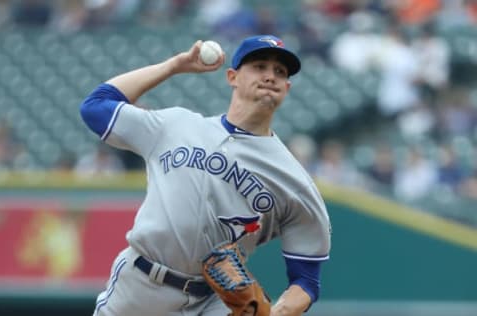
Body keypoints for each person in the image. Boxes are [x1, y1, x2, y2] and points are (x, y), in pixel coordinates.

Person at [80, 34, 331, 316]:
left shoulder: (293, 180)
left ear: (287, 87)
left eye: (280, 72)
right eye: (260, 66)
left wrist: (278, 313)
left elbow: (307, 280)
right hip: (139, 287)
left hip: (213, 302)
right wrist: (174, 65)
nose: (270, 76)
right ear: (232, 77)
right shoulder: (175, 126)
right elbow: (96, 106)